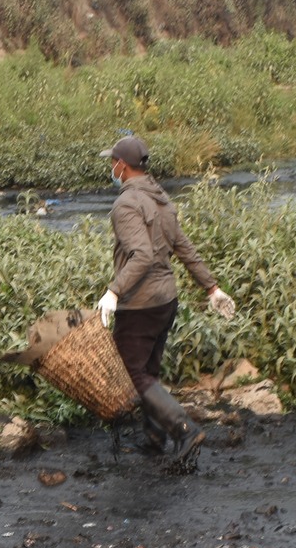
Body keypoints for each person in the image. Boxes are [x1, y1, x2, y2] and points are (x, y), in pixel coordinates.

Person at [96, 136, 233, 461]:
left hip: (141, 303)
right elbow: (183, 247)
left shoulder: (126, 204)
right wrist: (212, 288)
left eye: (112, 162)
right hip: (166, 301)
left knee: (132, 373)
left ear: (123, 166)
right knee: (149, 372)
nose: (110, 167)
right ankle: (155, 438)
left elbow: (141, 256)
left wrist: (114, 292)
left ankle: (184, 430)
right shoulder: (162, 200)